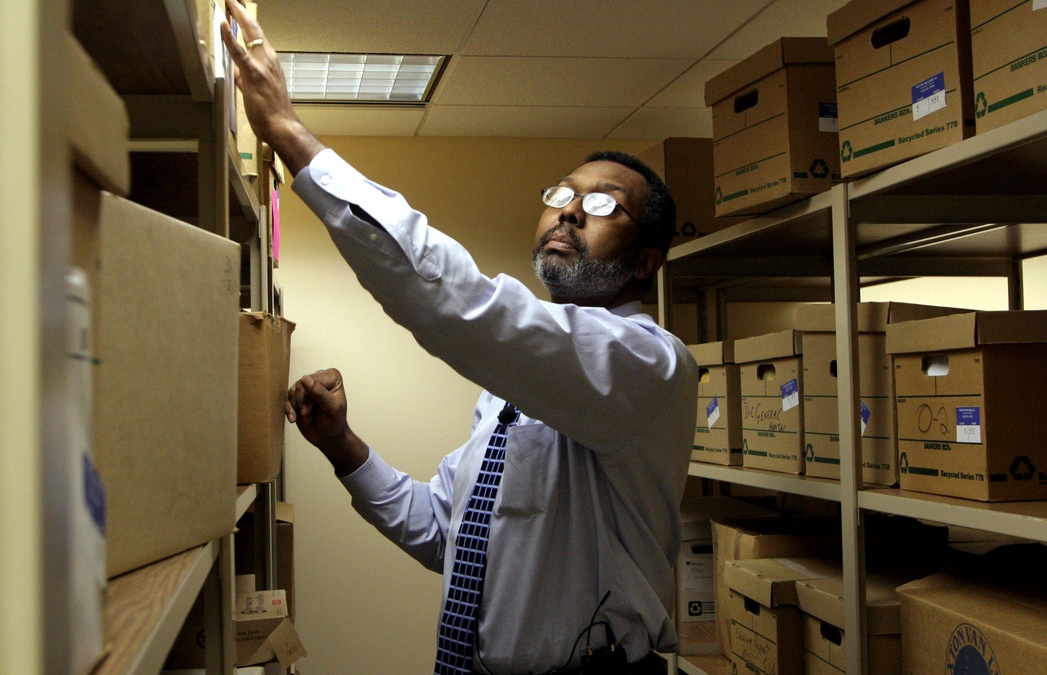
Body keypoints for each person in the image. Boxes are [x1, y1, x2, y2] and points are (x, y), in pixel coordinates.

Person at [221, 1, 697, 672]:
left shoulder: (647, 363)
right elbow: (445, 531)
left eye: (600, 204)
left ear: (647, 261)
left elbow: (458, 303)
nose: (567, 207)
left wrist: (292, 135)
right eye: (564, 192)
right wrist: (341, 445)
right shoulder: (520, 388)